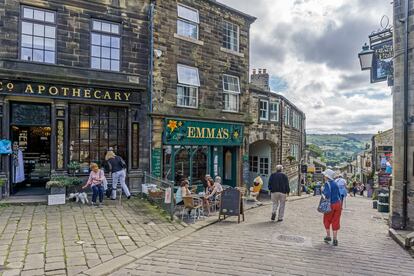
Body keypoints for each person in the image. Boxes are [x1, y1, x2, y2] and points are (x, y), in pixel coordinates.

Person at [321, 169, 342, 246]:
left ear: (327, 176)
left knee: (327, 219)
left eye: (324, 175)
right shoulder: (335, 183)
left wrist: (322, 190)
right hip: (338, 204)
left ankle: (328, 236)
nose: (324, 177)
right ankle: (335, 239)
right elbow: (339, 194)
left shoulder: (327, 184)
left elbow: (327, 195)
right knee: (336, 220)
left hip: (331, 204)